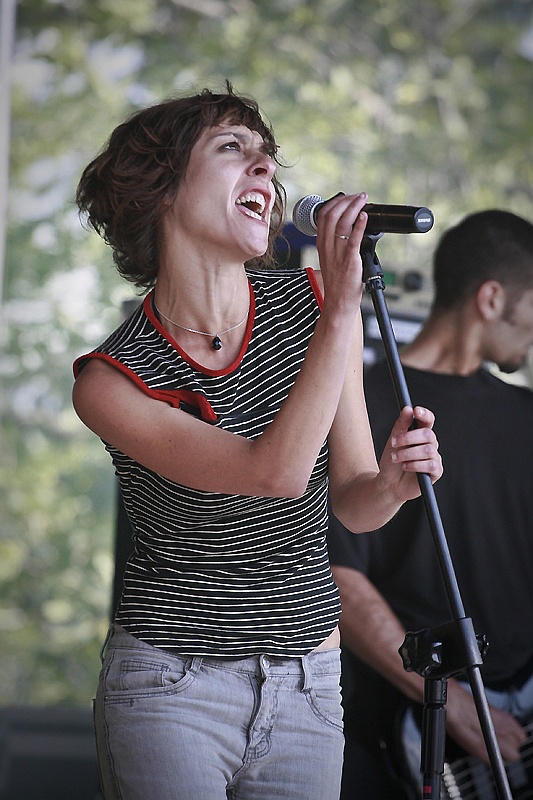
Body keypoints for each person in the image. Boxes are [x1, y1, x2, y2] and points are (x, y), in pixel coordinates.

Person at [71, 83, 442, 800]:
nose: (265, 170)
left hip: (309, 681)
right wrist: (340, 313)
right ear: (162, 191)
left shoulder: (307, 304)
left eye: (268, 158)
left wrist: (392, 483)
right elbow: (271, 474)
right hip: (171, 688)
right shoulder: (112, 382)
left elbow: (355, 504)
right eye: (232, 149)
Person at [327, 209, 533, 799]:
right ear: (491, 298)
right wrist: (445, 697)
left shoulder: (526, 419)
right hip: (401, 739)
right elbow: (339, 578)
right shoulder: (360, 404)